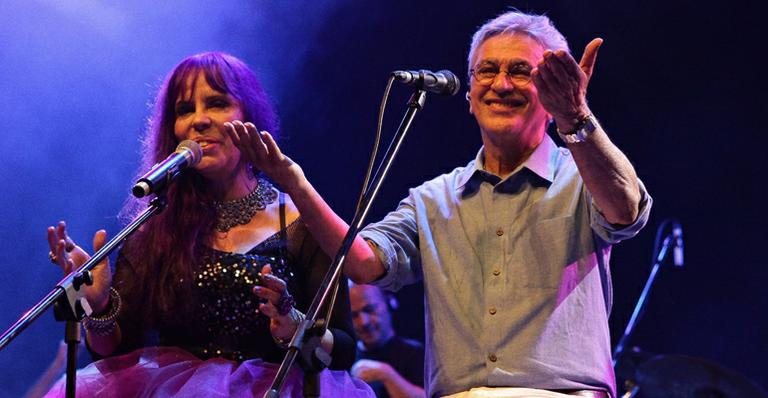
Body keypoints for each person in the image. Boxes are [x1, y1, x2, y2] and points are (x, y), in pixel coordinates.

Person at [226, 10, 652, 398]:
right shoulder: (433, 199)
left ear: (551, 91)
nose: (501, 84)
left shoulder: (583, 177)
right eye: (487, 70)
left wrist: (576, 118)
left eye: (521, 71)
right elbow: (362, 263)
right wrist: (296, 185)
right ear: (469, 96)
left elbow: (625, 208)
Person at [44, 52, 372, 397]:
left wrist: (296, 328)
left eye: (216, 103)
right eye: (184, 109)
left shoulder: (301, 222)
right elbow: (114, 351)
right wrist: (100, 308)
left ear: (250, 117)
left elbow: (344, 349)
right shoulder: (157, 224)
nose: (198, 121)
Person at [349, 283, 425, 398]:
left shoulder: (416, 353)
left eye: (369, 309)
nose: (363, 322)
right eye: (354, 315)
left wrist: (387, 374)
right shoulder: (345, 357)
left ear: (390, 303)